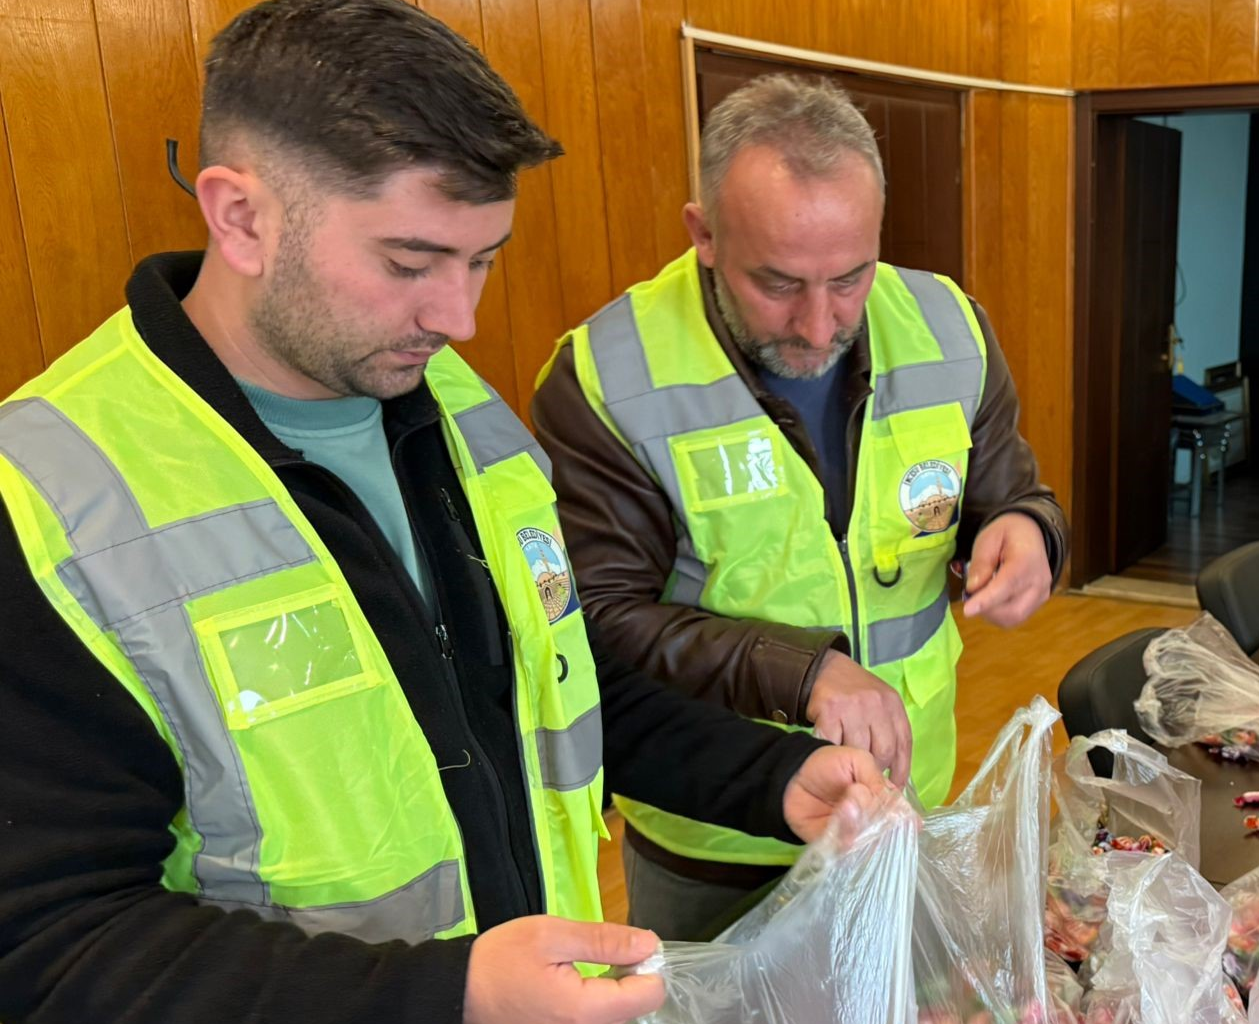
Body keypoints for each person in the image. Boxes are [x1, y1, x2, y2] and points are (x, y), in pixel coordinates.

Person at [0, 3, 884, 1022]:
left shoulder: (462, 415)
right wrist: (442, 994)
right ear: (239, 215)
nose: (457, 317)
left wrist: (772, 775)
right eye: (410, 262)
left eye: (483, 259)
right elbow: (51, 942)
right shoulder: (52, 498)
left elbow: (545, 687)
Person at [530, 73, 1069, 938]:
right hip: (717, 840)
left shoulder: (948, 326)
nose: (820, 326)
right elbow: (596, 615)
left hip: (900, 806)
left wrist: (1029, 530)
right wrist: (806, 672)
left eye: (851, 278)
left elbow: (1008, 489)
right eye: (777, 284)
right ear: (703, 234)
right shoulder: (607, 376)